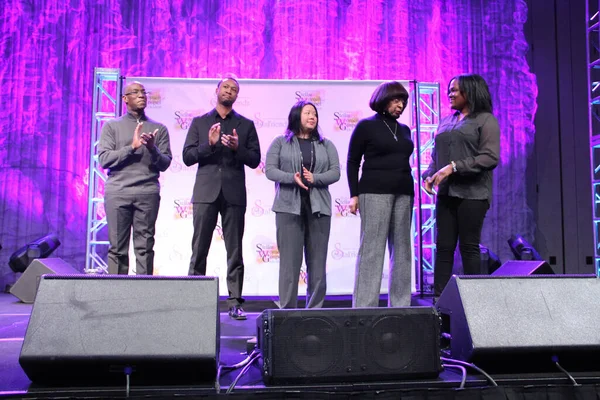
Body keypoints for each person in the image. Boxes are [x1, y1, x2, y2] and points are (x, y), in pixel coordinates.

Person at [182, 76, 261, 320]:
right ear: (217, 90)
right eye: (225, 87)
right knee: (199, 248)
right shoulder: (200, 122)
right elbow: (187, 157)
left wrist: (238, 148)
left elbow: (255, 159)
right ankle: (195, 301)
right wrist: (210, 144)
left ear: (237, 96)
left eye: (234, 89)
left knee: (234, 250)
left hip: (234, 194)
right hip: (206, 193)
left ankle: (235, 302)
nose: (229, 91)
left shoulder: (245, 125)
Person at [422, 74, 500, 298]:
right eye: (449, 89)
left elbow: (489, 158)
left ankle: (473, 301)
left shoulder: (485, 120)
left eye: (455, 90)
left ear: (471, 92)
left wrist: (454, 167)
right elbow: (437, 157)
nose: (450, 93)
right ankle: (439, 302)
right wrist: (430, 175)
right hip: (447, 194)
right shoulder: (447, 121)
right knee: (444, 247)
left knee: (468, 247)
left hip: (473, 194)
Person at [265, 100, 340, 309]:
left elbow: (335, 172)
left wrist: (315, 178)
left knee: (317, 264)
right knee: (289, 264)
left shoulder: (327, 145)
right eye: (307, 113)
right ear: (296, 116)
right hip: (288, 208)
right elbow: (270, 170)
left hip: (319, 210)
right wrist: (292, 177)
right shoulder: (280, 142)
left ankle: (314, 311)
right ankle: (287, 311)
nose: (312, 117)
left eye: (314, 114)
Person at [346, 81, 415, 308]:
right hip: (374, 192)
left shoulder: (404, 129)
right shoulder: (366, 126)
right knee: (372, 250)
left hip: (403, 192)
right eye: (396, 100)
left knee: (403, 250)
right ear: (384, 99)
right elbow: (353, 162)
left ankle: (401, 305)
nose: (400, 105)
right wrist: (354, 195)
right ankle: (364, 307)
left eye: (403, 102)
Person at [98, 81, 173, 276]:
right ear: (125, 99)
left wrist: (152, 148)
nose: (141, 95)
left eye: (143, 92)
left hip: (146, 193)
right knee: (117, 249)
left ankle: (143, 297)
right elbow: (104, 159)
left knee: (145, 248)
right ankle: (116, 297)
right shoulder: (112, 126)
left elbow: (165, 163)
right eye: (135, 92)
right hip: (118, 193)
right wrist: (131, 147)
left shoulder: (159, 128)